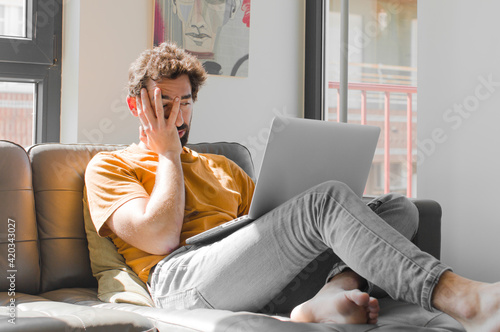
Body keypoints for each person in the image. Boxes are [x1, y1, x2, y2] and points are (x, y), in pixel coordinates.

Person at [84, 42, 500, 331]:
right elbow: (159, 237)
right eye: (164, 103)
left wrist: (302, 214)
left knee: (399, 208)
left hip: (253, 277)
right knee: (326, 200)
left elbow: (265, 228)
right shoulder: (109, 166)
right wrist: (168, 154)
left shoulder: (222, 166)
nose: (178, 117)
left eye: (186, 102)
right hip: (182, 281)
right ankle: (461, 298)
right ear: (137, 105)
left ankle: (331, 293)